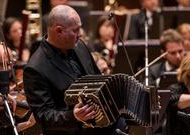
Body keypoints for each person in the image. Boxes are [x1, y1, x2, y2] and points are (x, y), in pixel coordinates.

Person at [24, 5, 126, 135]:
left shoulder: (79, 46)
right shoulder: (35, 68)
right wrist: (74, 116)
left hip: (100, 126)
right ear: (59, 31)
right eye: (76, 30)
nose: (81, 33)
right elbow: (43, 116)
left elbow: (96, 79)